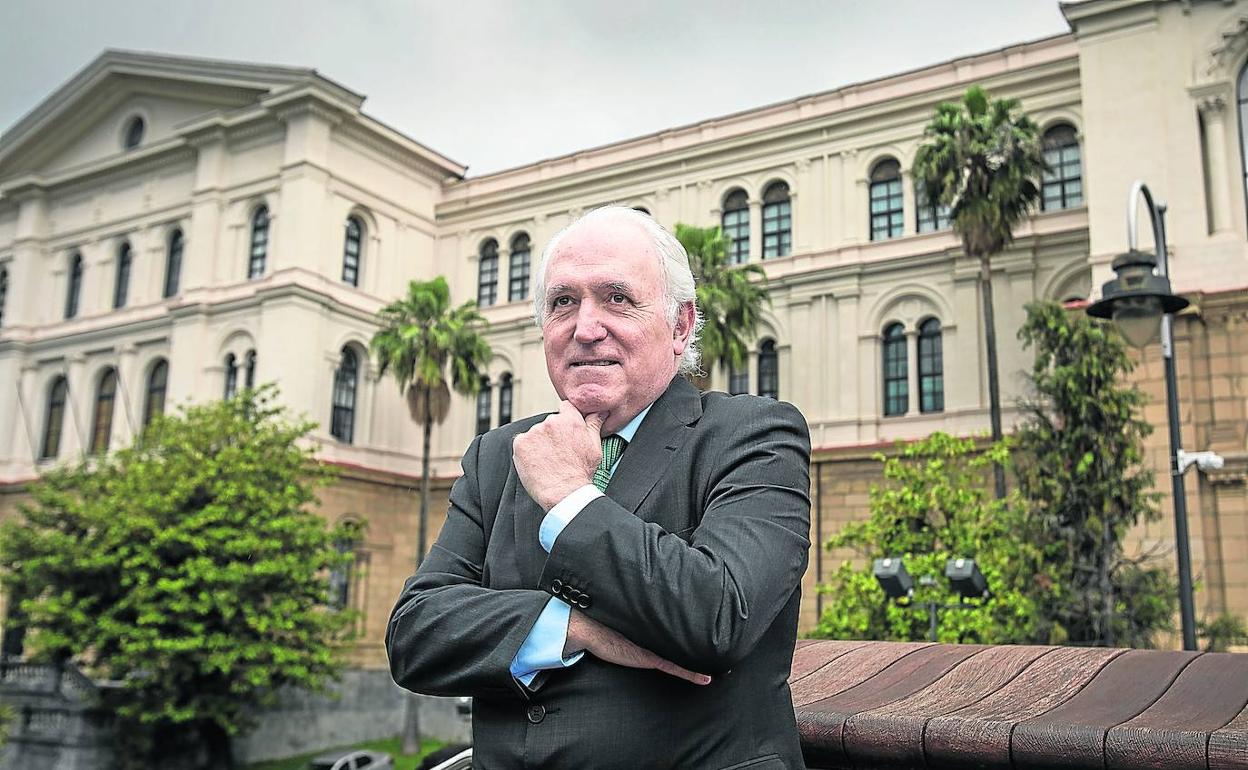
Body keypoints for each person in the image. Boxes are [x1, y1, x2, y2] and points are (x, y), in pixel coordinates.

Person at [387, 206, 811, 769]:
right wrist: (573, 628)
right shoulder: (497, 456)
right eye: (563, 302)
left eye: (617, 298)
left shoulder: (752, 435)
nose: (585, 327)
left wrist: (568, 496)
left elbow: (718, 614)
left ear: (681, 326)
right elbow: (416, 633)